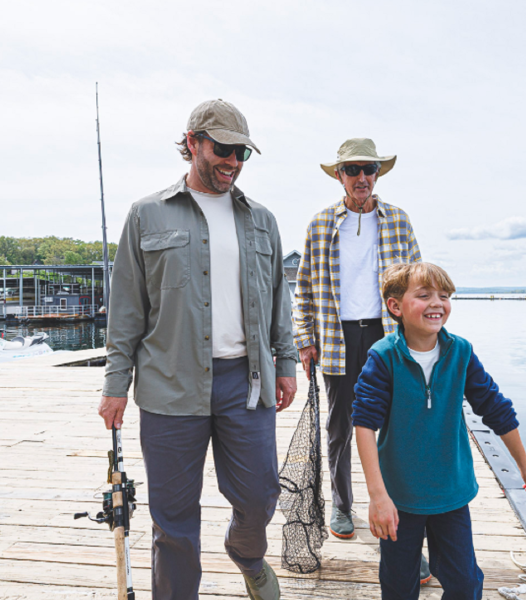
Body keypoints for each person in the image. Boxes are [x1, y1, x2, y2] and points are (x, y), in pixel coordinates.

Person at [98, 99, 297, 600]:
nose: (232, 161)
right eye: (223, 149)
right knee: (174, 518)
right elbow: (126, 309)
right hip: (169, 384)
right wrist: (115, 385)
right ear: (193, 143)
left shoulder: (262, 221)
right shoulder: (145, 215)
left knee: (260, 495)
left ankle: (247, 554)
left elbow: (279, 299)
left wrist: (287, 361)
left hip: (245, 382)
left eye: (242, 154)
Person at [352, 262, 526, 600]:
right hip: (399, 498)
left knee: (465, 582)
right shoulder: (382, 357)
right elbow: (365, 424)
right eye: (424, 295)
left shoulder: (462, 353)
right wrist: (378, 496)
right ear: (395, 306)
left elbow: (496, 408)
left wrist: (524, 465)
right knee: (398, 585)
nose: (437, 303)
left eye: (444, 295)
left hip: (451, 494)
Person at [292, 138, 422, 540]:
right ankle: (342, 505)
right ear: (339, 176)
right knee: (340, 427)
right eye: (352, 170)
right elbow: (304, 288)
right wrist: (303, 339)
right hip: (337, 336)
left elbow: (419, 282)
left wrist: (422, 336)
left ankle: (397, 509)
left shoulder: (399, 220)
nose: (361, 177)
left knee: (396, 426)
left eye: (369, 169)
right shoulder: (319, 223)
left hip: (388, 336)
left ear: (377, 173)